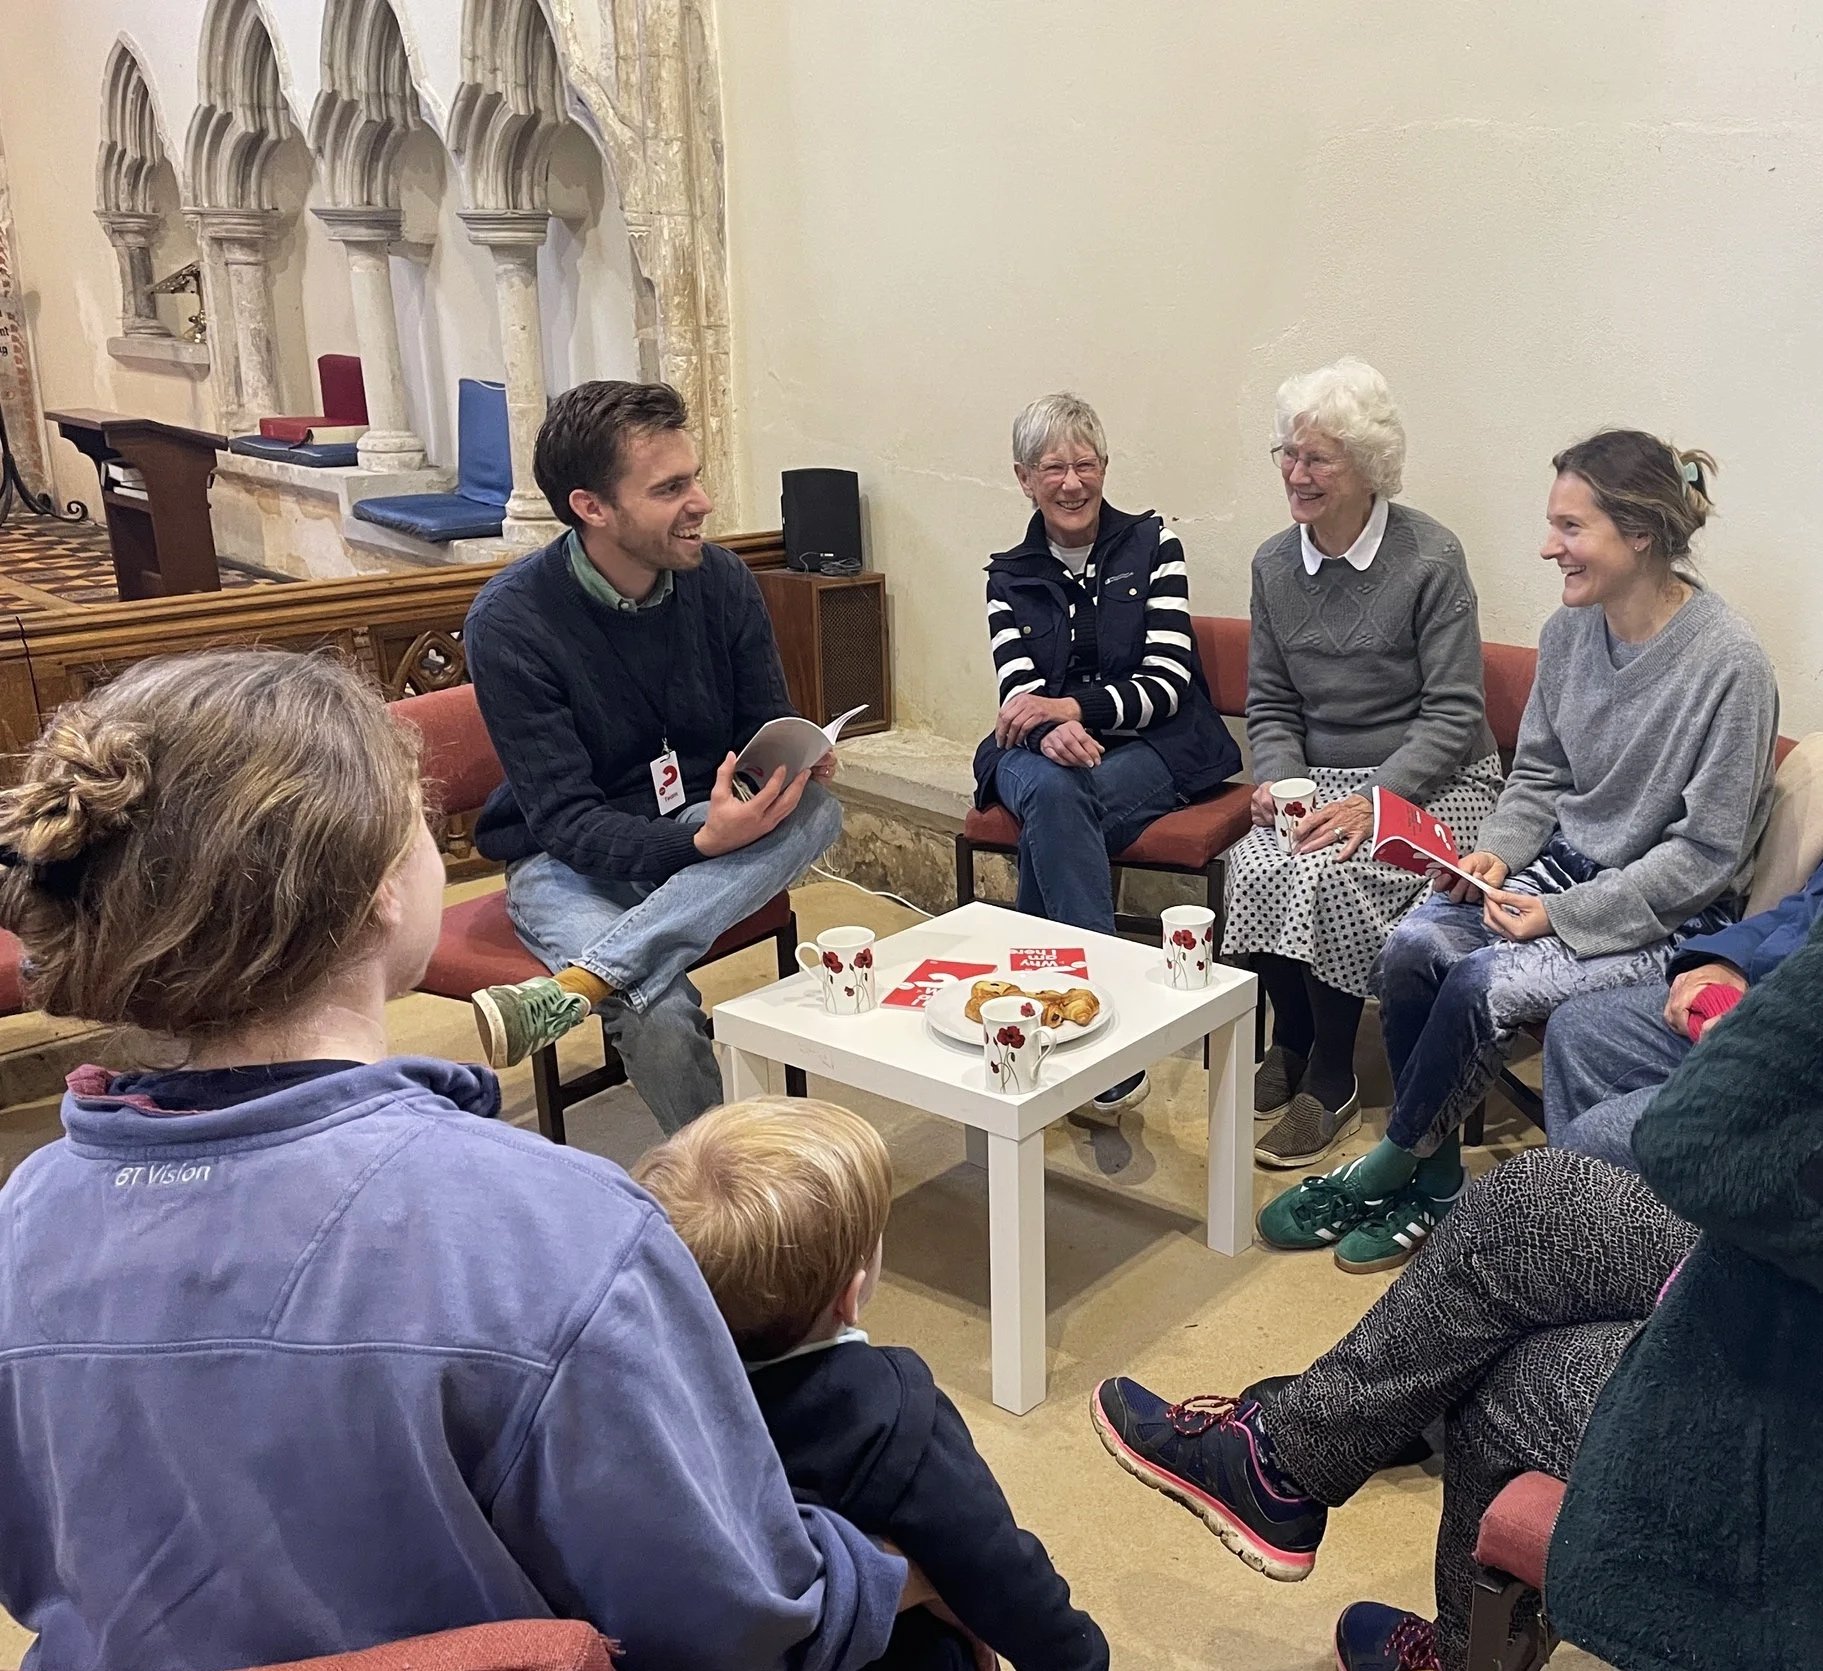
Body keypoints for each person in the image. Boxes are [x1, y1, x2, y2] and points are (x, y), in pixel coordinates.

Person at [0, 650, 908, 1671]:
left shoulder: (24, 1218)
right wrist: (886, 1569)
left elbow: (40, 1566)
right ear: (383, 893)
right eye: (425, 829)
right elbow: (736, 1622)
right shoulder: (561, 1233)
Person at [1091, 917, 1823, 1671]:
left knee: (1514, 1385)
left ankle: (1432, 1620)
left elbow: (1692, 1137)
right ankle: (1284, 1460)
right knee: (1532, 1202)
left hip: (1793, 1369)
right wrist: (1726, 962)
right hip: (1772, 1281)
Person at [1260, 429, 1779, 1274]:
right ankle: (1433, 1185)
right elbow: (1536, 772)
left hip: (1663, 917)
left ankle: (1389, 1163)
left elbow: (1703, 857)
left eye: (1569, 528)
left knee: (1477, 982)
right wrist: (1495, 855)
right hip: (1559, 872)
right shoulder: (1570, 631)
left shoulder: (1731, 665)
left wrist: (1561, 915)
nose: (1548, 548)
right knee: (1411, 946)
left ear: (1638, 533)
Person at [463, 380, 841, 1133]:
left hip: (699, 817)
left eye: (694, 477)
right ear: (591, 507)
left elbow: (761, 722)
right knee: (655, 1006)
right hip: (562, 857)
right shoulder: (510, 624)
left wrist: (791, 764)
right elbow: (567, 821)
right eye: (670, 488)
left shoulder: (722, 581)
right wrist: (702, 842)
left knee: (819, 810)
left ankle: (585, 978)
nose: (700, 502)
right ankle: (733, 1207)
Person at [637, 1096, 1108, 1671]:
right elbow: (993, 1565)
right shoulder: (893, 1417)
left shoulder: (647, 1397)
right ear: (852, 1295)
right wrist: (1077, 1654)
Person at [1223, 359, 1501, 1172]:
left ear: (1366, 466)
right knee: (1257, 856)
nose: (1295, 474)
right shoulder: (1273, 565)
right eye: (1286, 454)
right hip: (1321, 779)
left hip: (1437, 779)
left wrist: (1373, 801)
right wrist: (1274, 782)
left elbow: (1454, 714)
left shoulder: (1429, 557)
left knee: (1333, 870)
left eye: (1316, 459)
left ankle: (1333, 1076)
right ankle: (1296, 1039)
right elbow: (1270, 704)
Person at [971, 392, 1240, 1114]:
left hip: (1154, 746)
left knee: (1057, 808)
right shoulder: (1007, 575)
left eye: (1084, 464)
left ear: (1104, 467)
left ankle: (1034, 1007)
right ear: (1023, 477)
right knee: (1051, 789)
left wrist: (1068, 709)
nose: (1071, 482)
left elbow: (1164, 682)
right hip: (1037, 752)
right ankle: (1100, 1027)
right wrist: (1046, 723)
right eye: (1052, 467)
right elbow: (1018, 696)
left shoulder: (1154, 546)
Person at [1543, 851, 1823, 1167]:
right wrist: (1730, 961)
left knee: (1593, 1140)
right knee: (1578, 1029)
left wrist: (1785, 1036)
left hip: (1801, 1052)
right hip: (1772, 995)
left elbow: (1702, 859)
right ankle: (1606, 1209)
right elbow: (1806, 910)